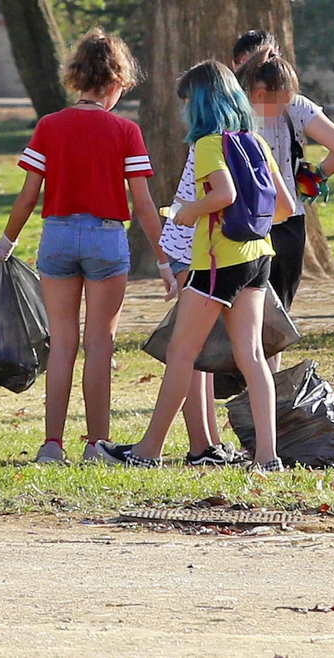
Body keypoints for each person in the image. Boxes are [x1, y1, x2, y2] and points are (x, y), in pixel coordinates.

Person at [94, 60, 296, 470]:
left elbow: (223, 194)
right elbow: (285, 207)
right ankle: (268, 456)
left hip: (216, 262)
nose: (184, 110)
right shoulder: (256, 142)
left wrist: (191, 212)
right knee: (251, 355)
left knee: (180, 352)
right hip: (258, 258)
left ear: (202, 104)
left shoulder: (208, 144)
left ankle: (148, 451)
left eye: (187, 102)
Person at [0, 30, 174, 465]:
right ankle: (97, 444)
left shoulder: (50, 126)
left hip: (56, 235)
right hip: (106, 237)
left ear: (77, 76)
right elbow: (143, 205)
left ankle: (52, 444)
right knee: (100, 342)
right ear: (116, 81)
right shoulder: (125, 131)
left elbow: (28, 195)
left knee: (62, 342)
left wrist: (7, 240)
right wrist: (164, 260)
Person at [232, 31, 334, 363]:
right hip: (288, 223)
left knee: (236, 317)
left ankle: (241, 389)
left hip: (240, 223)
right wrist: (315, 177)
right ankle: (267, 389)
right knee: (275, 319)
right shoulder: (295, 105)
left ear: (237, 64)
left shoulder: (228, 108)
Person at [158, 146, 249, 467]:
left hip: (200, 246)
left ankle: (208, 442)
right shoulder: (214, 141)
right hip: (194, 246)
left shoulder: (216, 141)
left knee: (197, 351)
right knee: (192, 353)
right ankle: (202, 443)